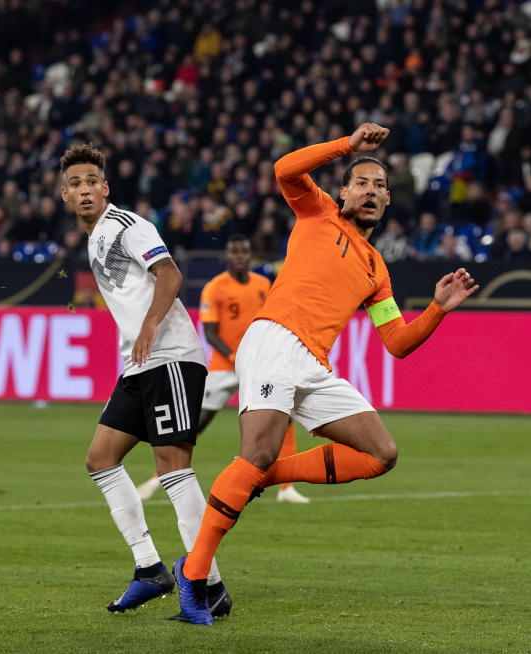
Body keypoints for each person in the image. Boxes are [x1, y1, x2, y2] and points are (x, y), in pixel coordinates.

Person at [173, 123, 478, 625]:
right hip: (274, 339)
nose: (373, 191)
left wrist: (438, 309)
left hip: (314, 363)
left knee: (382, 453)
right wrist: (347, 146)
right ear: (343, 190)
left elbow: (397, 343)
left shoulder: (377, 268)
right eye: (362, 182)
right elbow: (283, 169)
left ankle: (266, 476)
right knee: (256, 451)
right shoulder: (317, 211)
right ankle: (195, 575)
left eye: (381, 187)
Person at [58, 143, 230, 617]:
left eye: (92, 180)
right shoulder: (92, 240)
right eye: (75, 183)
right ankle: (149, 568)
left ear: (105, 188)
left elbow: (170, 275)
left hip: (171, 356)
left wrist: (152, 323)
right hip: (139, 364)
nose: (85, 189)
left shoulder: (127, 226)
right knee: (100, 459)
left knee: (173, 465)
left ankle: (208, 585)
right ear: (64, 194)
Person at [136, 233, 309, 504]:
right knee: (197, 422)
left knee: (284, 415)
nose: (240, 256)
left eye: (244, 252)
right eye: (234, 252)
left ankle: (287, 489)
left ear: (250, 255)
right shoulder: (215, 288)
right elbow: (211, 333)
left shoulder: (264, 284)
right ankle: (162, 475)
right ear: (226, 256)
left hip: (258, 365)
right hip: (224, 367)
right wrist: (236, 355)